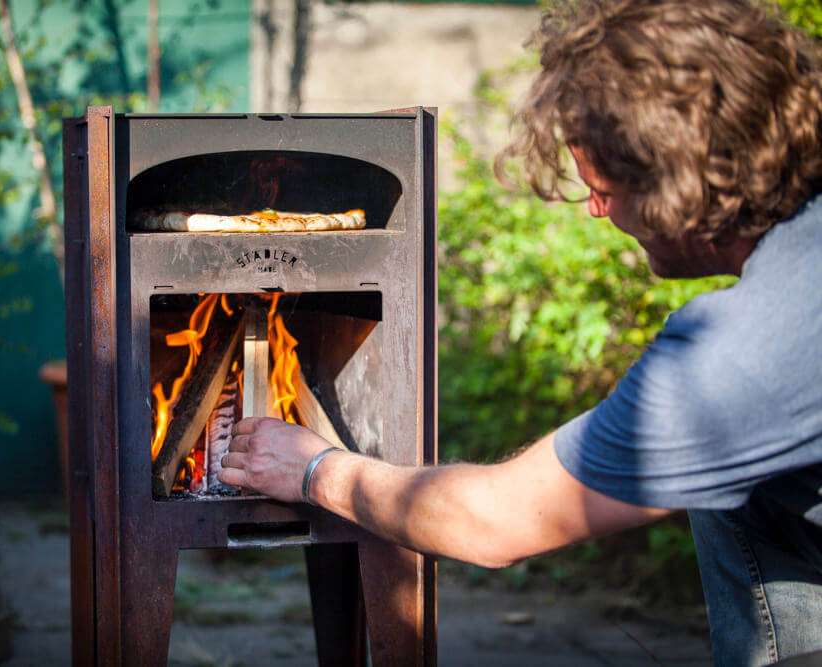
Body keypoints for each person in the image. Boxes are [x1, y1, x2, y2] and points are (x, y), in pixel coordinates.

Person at [218, 0, 822, 664]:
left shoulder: (745, 352)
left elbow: (495, 520)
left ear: (677, 181)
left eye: (603, 189)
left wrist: (312, 468)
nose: (594, 209)